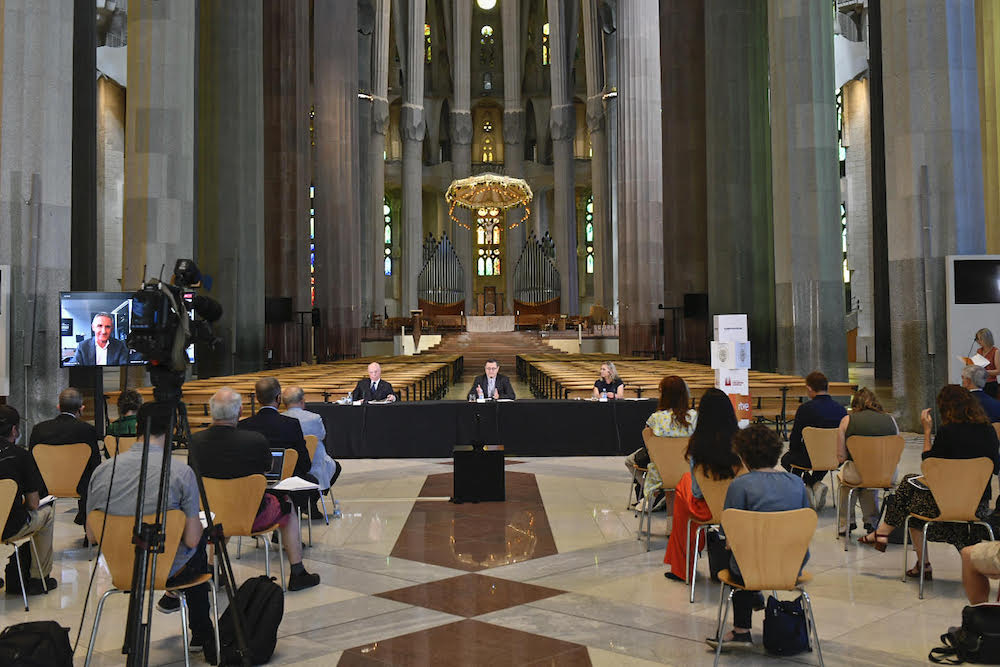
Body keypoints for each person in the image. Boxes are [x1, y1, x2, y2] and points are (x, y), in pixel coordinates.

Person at [86, 403, 216, 661]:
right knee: (199, 540)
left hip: (120, 567)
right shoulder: (181, 473)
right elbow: (190, 539)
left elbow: (91, 535)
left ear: (137, 426)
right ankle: (201, 631)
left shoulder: (102, 471)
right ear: (173, 429)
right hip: (167, 568)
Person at [858, 385, 1000, 580]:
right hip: (978, 506)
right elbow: (995, 467)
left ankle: (887, 536)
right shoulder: (989, 431)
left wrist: (926, 431)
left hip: (946, 505)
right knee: (910, 486)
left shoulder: (947, 431)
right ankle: (893, 542)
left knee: (912, 504)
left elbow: (929, 465)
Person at [187, 388, 320, 592]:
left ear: (212, 413)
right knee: (288, 505)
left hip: (213, 515)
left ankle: (213, 570)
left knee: (222, 513)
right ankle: (297, 571)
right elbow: (265, 472)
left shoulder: (195, 442)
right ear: (240, 411)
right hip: (252, 514)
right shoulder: (254, 441)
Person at [706, 425, 811, 651]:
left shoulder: (740, 485)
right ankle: (754, 595)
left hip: (750, 568)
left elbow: (727, 533)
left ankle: (742, 630)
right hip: (791, 566)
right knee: (748, 555)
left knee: (733, 553)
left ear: (743, 456)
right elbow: (805, 523)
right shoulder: (796, 483)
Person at [663, 387, 740, 583]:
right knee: (684, 486)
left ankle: (682, 566)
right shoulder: (742, 444)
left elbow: (697, 493)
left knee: (683, 488)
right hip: (739, 508)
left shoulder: (698, 447)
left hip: (708, 509)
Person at [29, 387, 101, 534]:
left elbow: (31, 462)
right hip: (79, 486)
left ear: (58, 407)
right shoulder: (87, 430)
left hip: (45, 485)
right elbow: (95, 464)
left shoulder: (39, 429)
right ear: (81, 408)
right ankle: (89, 532)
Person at [0, 405, 56, 594]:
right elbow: (33, 503)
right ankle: (38, 578)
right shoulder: (21, 456)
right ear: (14, 430)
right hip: (9, 526)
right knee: (47, 513)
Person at [780, 371, 847, 511]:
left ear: (809, 389)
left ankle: (808, 485)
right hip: (834, 458)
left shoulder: (805, 409)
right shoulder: (841, 410)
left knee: (786, 460)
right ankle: (815, 482)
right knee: (823, 462)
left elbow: (795, 438)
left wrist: (794, 451)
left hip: (808, 458)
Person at [835, 387, 899, 535]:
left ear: (855, 405)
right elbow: (896, 451)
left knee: (848, 479)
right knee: (870, 482)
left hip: (858, 473)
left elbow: (841, 457)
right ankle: (872, 521)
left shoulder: (847, 420)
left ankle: (846, 523)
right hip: (886, 474)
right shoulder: (891, 419)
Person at [239, 377, 313, 482]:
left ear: (257, 399)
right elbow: (305, 464)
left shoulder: (243, 425)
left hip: (253, 483)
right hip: (287, 483)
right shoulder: (291, 424)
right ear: (279, 398)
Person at [282, 385, 341, 517]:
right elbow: (322, 435)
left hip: (289, 467)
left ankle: (304, 503)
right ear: (302, 401)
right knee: (335, 467)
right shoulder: (314, 418)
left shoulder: (280, 419)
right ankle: (311, 501)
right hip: (314, 464)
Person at [976, 328, 1000, 398]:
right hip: (980, 383)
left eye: (980, 339)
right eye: (977, 339)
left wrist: (985, 371)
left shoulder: (995, 351)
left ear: (987, 339)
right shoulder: (979, 351)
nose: (978, 341)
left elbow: (998, 371)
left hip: (991, 384)